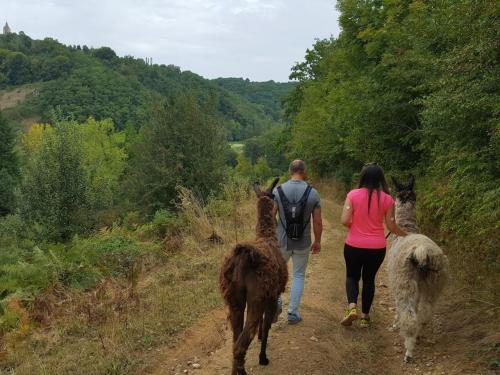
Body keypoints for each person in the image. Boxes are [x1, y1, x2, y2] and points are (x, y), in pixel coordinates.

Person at [340, 163, 407, 328]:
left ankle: (351, 307)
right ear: (380, 179)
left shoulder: (353, 194)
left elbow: (344, 220)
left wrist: (355, 227)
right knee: (369, 280)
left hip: (354, 245)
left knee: (352, 276)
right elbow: (391, 226)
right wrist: (407, 235)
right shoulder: (387, 199)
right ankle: (364, 317)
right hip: (377, 248)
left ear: (363, 177)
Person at [273, 159, 323, 324]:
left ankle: (276, 302)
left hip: (281, 242)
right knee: (298, 275)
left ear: (290, 171)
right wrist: (317, 241)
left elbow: (270, 216)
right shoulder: (313, 193)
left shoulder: (277, 191)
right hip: (303, 242)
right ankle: (293, 313)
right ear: (304, 171)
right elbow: (317, 222)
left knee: (277, 274)